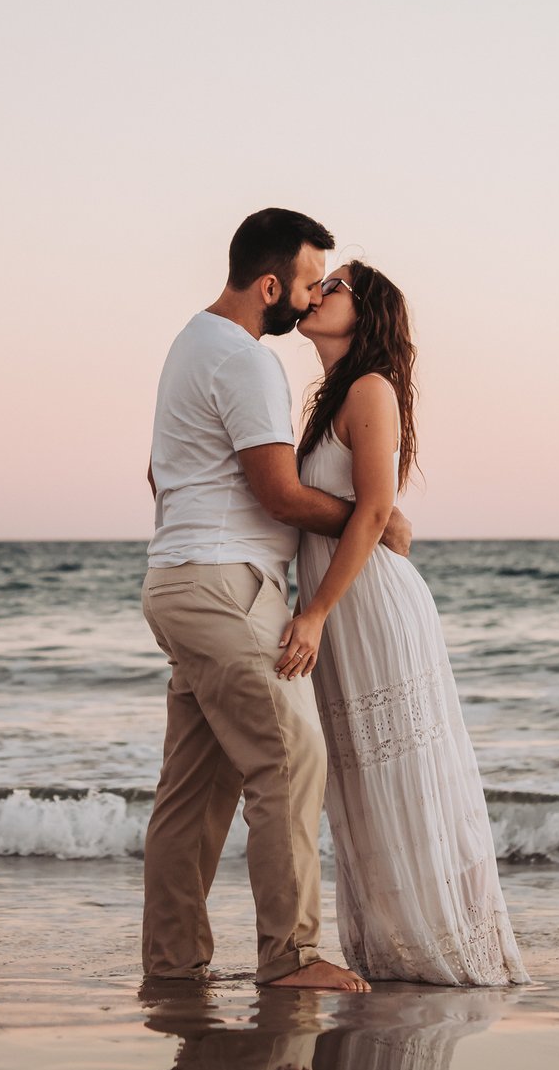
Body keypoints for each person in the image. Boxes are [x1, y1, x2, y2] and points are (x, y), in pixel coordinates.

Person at [141, 209, 410, 992]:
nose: (310, 295)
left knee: (195, 789)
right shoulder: (248, 361)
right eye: (304, 282)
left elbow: (159, 476)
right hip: (224, 588)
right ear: (269, 285)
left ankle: (173, 964)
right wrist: (374, 520)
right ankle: (290, 956)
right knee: (292, 758)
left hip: (181, 579)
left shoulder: (188, 344)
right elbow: (281, 494)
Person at [281, 260, 531, 985]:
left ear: (365, 313)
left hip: (368, 609)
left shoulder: (370, 388)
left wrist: (316, 612)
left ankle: (443, 952)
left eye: (335, 287)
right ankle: (394, 954)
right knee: (364, 779)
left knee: (405, 775)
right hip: (346, 606)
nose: (318, 291)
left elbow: (374, 511)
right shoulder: (333, 399)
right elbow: (371, 510)